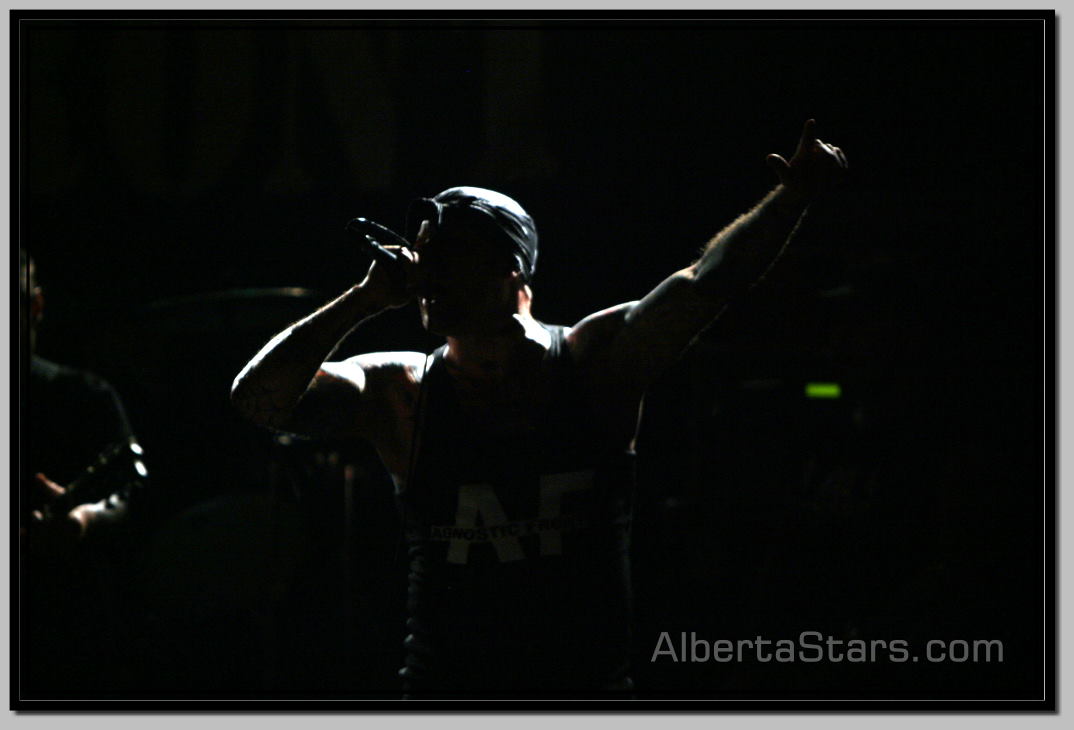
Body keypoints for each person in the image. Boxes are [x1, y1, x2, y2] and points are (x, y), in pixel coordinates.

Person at [231, 120, 847, 696]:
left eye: (449, 253)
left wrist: (791, 199)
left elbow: (706, 283)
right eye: (423, 253)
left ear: (512, 269)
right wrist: (361, 301)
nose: (426, 270)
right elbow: (259, 401)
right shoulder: (401, 389)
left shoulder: (591, 362)